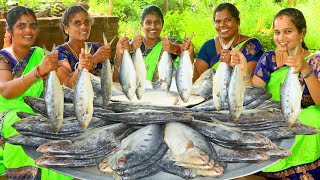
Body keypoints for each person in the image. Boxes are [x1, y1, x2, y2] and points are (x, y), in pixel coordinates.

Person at [231, 8, 320, 179]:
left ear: (302, 32)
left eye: (288, 31)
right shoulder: (269, 59)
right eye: (277, 32)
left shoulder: (315, 61)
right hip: (272, 121)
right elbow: (255, 95)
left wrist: (305, 68)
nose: (281, 38)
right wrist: (243, 70)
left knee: (313, 118)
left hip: (301, 122)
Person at [0, 6, 72, 179]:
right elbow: (5, 90)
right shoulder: (3, 57)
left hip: (38, 109)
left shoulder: (40, 54)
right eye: (21, 26)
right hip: (8, 114)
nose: (28, 30)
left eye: (32, 26)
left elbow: (65, 82)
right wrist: (38, 71)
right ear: (9, 30)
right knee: (21, 122)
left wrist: (79, 67)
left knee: (63, 122)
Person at [114, 5, 194, 82]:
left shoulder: (172, 43)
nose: (153, 26)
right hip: (137, 93)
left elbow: (190, 77)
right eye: (148, 22)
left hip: (165, 93)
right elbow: (116, 80)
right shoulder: (130, 45)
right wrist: (120, 53)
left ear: (162, 24)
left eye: (157, 22)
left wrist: (176, 49)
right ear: (142, 24)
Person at [193, 2, 264, 82]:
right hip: (212, 93)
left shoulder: (251, 46)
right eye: (217, 22)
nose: (222, 25)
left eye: (228, 20)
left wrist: (232, 65)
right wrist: (189, 55)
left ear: (238, 22)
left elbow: (249, 81)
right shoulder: (208, 46)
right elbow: (196, 80)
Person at [56, 5, 112, 88]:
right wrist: (94, 60)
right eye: (77, 23)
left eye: (86, 22)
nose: (83, 27)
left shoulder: (97, 47)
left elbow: (113, 79)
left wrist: (119, 54)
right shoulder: (60, 53)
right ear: (66, 29)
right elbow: (68, 85)